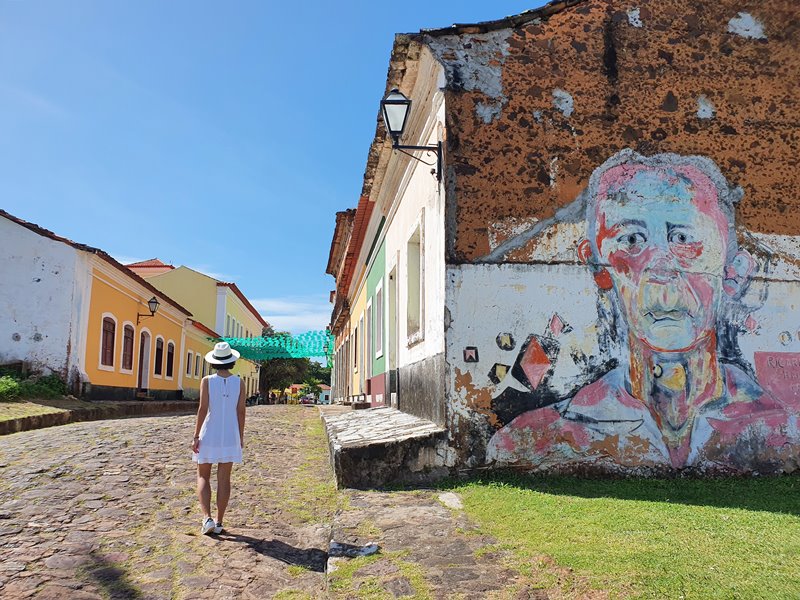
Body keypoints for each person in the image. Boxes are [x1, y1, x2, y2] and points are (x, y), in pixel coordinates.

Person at [488, 150, 796, 473]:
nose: (660, 270)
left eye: (683, 238)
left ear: (735, 270)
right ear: (597, 266)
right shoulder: (541, 438)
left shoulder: (781, 428)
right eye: (632, 239)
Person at [191, 341, 246, 535]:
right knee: (224, 479)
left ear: (214, 361)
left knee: (203, 476)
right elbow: (240, 412)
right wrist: (240, 437)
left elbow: (203, 409)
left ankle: (207, 518)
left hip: (210, 433)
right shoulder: (239, 382)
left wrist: (196, 435)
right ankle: (219, 521)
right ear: (231, 361)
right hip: (230, 434)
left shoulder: (207, 381)